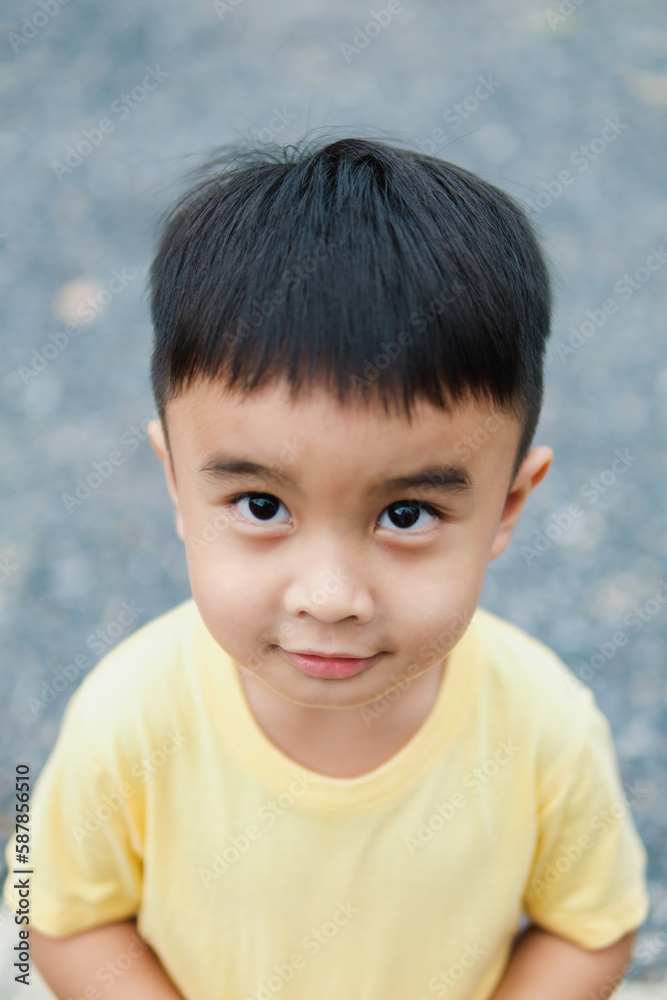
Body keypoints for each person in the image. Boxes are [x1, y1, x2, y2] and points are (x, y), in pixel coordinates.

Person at [4, 134, 649, 1000]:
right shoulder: (130, 716)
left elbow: (590, 928)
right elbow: (59, 919)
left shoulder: (542, 730)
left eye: (406, 514)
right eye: (263, 507)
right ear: (175, 482)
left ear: (507, 505)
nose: (331, 596)